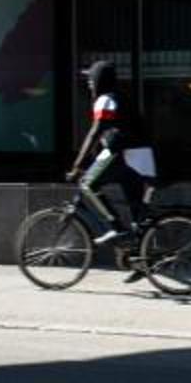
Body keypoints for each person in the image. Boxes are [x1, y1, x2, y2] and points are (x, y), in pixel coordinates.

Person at [66, 60, 152, 246]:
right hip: (142, 158)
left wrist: (78, 165)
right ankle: (140, 254)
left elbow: (95, 133)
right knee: (138, 219)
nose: (89, 82)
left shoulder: (105, 100)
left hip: (124, 155)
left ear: (99, 79)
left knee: (87, 183)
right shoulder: (121, 98)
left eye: (91, 78)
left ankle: (115, 227)